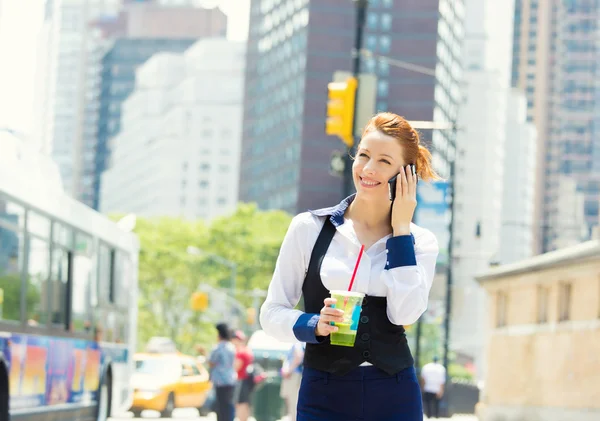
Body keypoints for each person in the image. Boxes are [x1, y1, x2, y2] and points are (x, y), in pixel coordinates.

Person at [260, 112, 439, 421]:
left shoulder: (419, 242)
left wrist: (400, 233)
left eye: (384, 161)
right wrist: (312, 324)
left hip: (394, 392)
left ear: (405, 175)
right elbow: (271, 312)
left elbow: (405, 314)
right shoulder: (309, 227)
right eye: (364, 155)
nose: (368, 169)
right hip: (324, 389)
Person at [208, 323, 237, 421]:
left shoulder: (218, 348)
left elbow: (212, 362)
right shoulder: (231, 347)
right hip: (231, 379)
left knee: (220, 407)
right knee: (228, 405)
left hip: (220, 381)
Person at [232, 330, 254, 421]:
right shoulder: (247, 350)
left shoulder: (240, 352)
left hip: (241, 380)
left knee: (240, 404)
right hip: (247, 380)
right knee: (245, 403)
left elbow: (236, 367)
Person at [279, 342, 305, 421]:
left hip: (294, 376)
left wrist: (289, 370)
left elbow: (299, 356)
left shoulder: (297, 342)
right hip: (293, 375)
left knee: (294, 403)